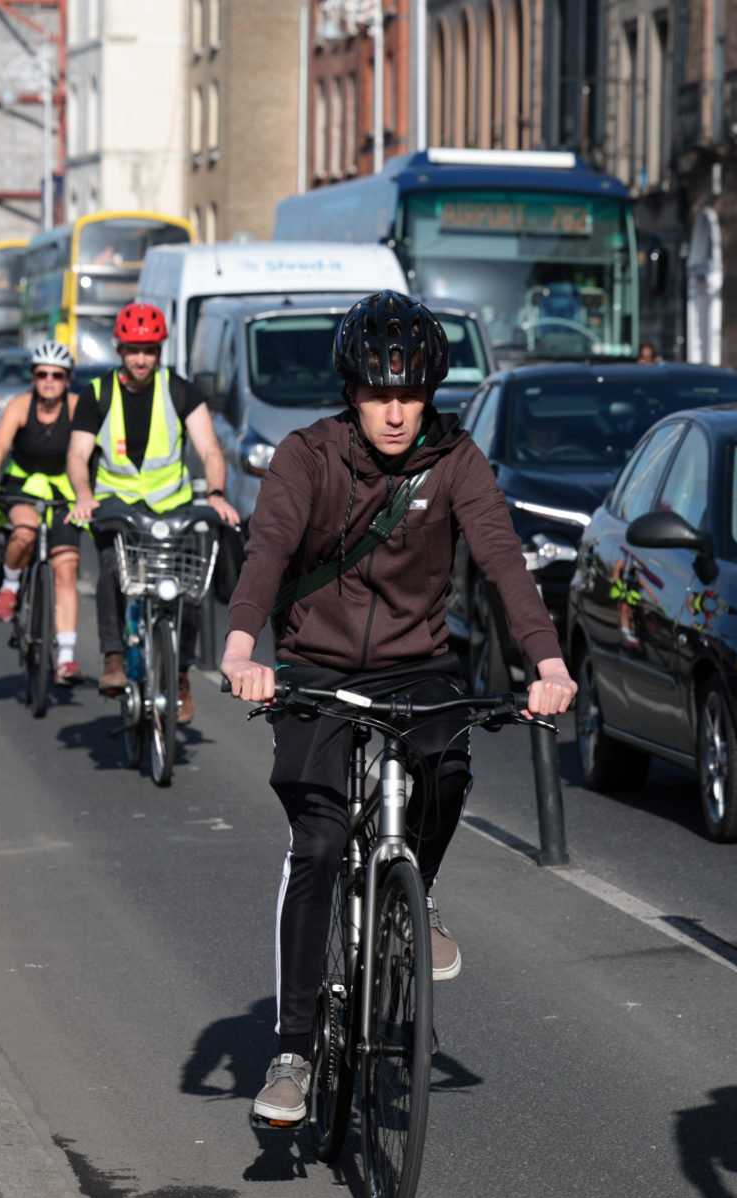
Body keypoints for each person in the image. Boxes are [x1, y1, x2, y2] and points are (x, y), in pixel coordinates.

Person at [221, 291, 577, 1125]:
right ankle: (294, 1053)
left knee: (448, 768)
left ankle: (418, 887)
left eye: (410, 395)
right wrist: (243, 650)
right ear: (352, 390)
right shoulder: (308, 456)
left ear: (430, 394)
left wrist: (548, 660)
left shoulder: (456, 459)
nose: (394, 412)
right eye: (379, 394)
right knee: (315, 844)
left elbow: (501, 559)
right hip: (314, 666)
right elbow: (268, 550)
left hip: (418, 666)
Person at [70, 303, 239, 724]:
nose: (141, 358)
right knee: (112, 569)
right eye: (132, 350)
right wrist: (83, 495)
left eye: (149, 349)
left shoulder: (181, 391)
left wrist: (216, 493)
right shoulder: (97, 394)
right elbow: (77, 454)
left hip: (172, 507)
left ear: (160, 350)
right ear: (119, 349)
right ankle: (113, 657)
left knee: (188, 586)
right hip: (116, 506)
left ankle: (179, 676)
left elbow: (210, 449)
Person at [0, 340, 87, 684]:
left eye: (57, 375)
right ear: (33, 378)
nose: (49, 381)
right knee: (24, 533)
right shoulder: (20, 406)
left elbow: (93, 451)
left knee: (66, 570)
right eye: (42, 374)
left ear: (67, 378)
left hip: (65, 491)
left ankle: (65, 659)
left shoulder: (78, 407)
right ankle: (9, 586)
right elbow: (0, 447)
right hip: (22, 485)